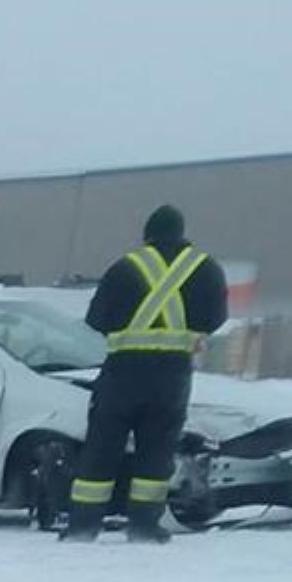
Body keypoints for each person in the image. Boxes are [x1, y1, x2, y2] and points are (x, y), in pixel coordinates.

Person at [65, 205, 229, 541]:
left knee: (101, 448)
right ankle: (143, 525)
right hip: (171, 377)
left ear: (148, 233)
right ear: (181, 232)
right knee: (156, 453)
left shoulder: (125, 267)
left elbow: (96, 319)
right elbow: (215, 318)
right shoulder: (206, 269)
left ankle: (83, 525)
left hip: (122, 374)